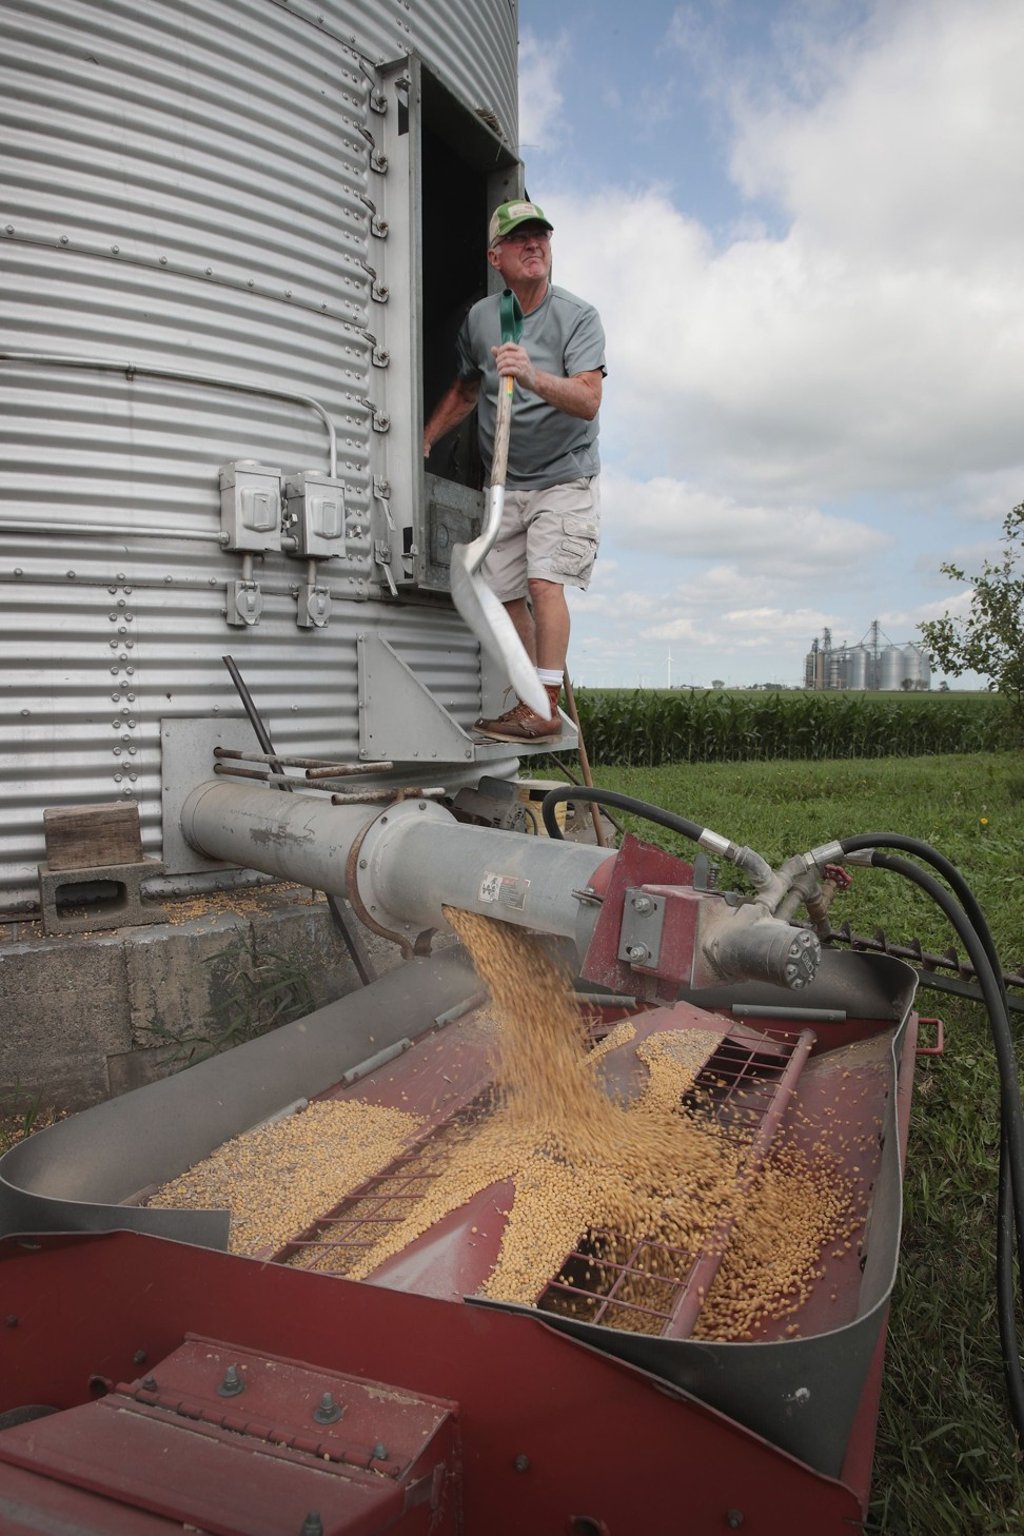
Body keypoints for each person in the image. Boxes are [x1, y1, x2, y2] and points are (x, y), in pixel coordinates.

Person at [422, 198, 605, 743]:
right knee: (502, 592)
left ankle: (544, 704)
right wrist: (428, 439)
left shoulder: (578, 317)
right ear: (495, 255)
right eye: (521, 239)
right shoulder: (483, 318)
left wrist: (532, 376)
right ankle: (532, 699)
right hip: (507, 483)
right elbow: (465, 388)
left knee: (544, 581)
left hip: (565, 476)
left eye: (541, 236)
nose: (535, 245)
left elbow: (588, 398)